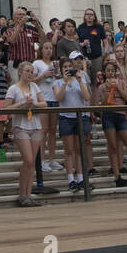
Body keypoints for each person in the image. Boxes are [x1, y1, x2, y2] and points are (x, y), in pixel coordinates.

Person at [95, 57, 127, 187]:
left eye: (113, 70)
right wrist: (108, 89)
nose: (111, 73)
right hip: (108, 116)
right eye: (108, 71)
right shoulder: (101, 87)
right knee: (112, 146)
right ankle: (117, 176)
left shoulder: (122, 82)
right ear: (104, 73)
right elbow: (103, 102)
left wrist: (118, 87)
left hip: (121, 115)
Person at [3, 61, 45, 206]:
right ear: (20, 72)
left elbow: (43, 103)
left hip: (35, 124)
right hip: (21, 125)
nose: (30, 74)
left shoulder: (34, 86)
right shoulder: (13, 88)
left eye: (32, 71)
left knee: (32, 161)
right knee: (27, 159)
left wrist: (33, 104)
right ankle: (22, 194)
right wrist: (22, 104)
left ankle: (28, 193)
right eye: (27, 71)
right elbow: (6, 107)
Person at [54, 51, 92, 192]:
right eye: (65, 67)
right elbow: (58, 97)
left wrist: (80, 80)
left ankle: (81, 177)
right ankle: (71, 178)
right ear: (61, 69)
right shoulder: (57, 82)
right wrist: (64, 81)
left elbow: (87, 97)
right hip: (66, 117)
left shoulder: (80, 79)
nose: (68, 69)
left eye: (70, 66)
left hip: (80, 117)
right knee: (68, 150)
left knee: (79, 149)